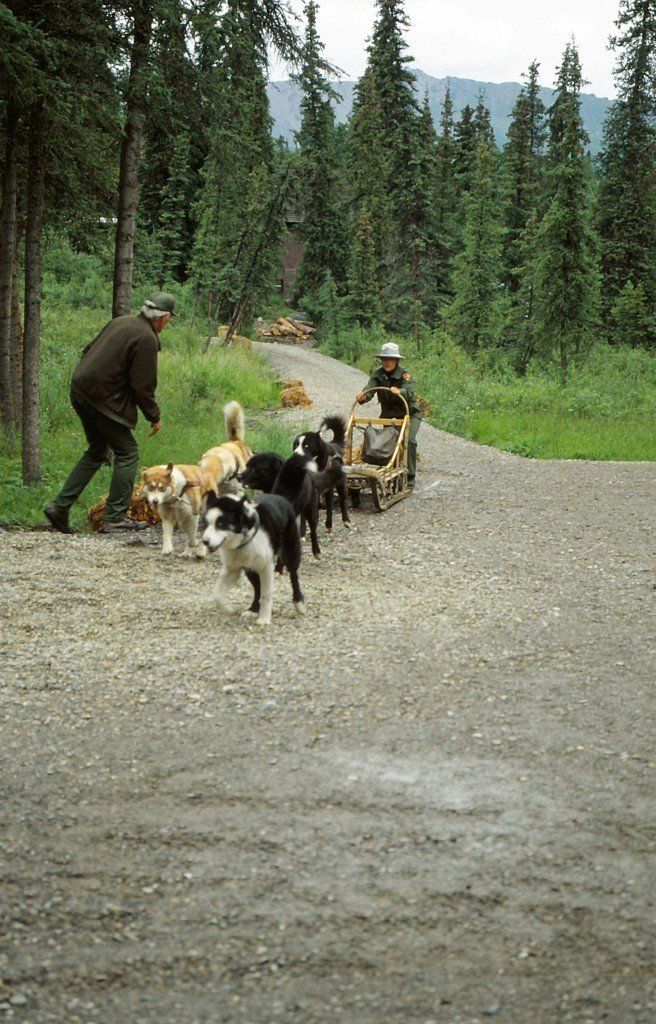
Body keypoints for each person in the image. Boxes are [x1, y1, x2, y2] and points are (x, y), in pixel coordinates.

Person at [44, 292, 175, 534]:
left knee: (97, 451)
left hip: (81, 388)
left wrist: (83, 394)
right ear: (164, 318)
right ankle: (114, 518)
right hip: (101, 397)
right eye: (169, 319)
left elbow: (88, 350)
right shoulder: (147, 337)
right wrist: (154, 417)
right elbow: (143, 385)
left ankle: (59, 507)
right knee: (128, 452)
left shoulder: (120, 321)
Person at [355, 341, 422, 487]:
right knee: (386, 440)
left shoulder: (404, 375)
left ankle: (410, 474)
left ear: (396, 360)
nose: (387, 362)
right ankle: (389, 468)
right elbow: (370, 389)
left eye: (390, 359)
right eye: (384, 359)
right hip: (389, 414)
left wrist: (400, 391)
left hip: (409, 413)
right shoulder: (378, 374)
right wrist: (362, 397)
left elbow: (410, 392)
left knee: (409, 440)